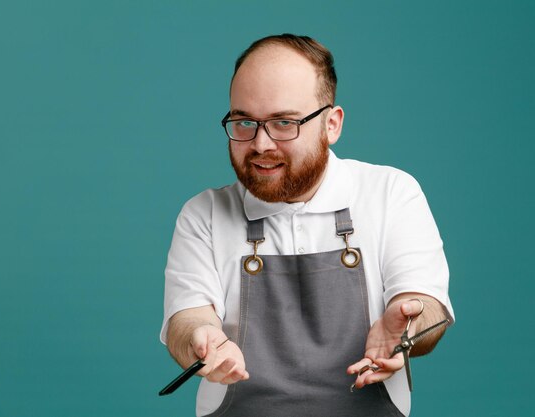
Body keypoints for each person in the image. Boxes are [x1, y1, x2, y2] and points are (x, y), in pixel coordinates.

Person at [160, 34, 454, 417]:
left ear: (331, 124)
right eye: (244, 121)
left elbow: (427, 305)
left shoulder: (391, 193)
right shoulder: (205, 213)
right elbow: (187, 318)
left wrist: (406, 327)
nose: (261, 143)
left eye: (284, 122)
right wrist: (202, 339)